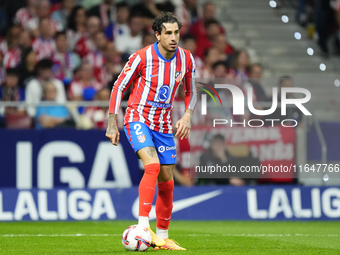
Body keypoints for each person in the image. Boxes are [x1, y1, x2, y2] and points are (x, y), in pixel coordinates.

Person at [106, 12, 196, 250]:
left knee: (167, 182)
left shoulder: (187, 59)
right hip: (138, 118)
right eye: (168, 32)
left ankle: (163, 237)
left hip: (164, 125)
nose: (173, 37)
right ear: (157, 34)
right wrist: (112, 122)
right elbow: (119, 87)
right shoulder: (141, 57)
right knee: (153, 166)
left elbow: (191, 91)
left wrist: (187, 115)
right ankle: (143, 227)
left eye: (176, 32)